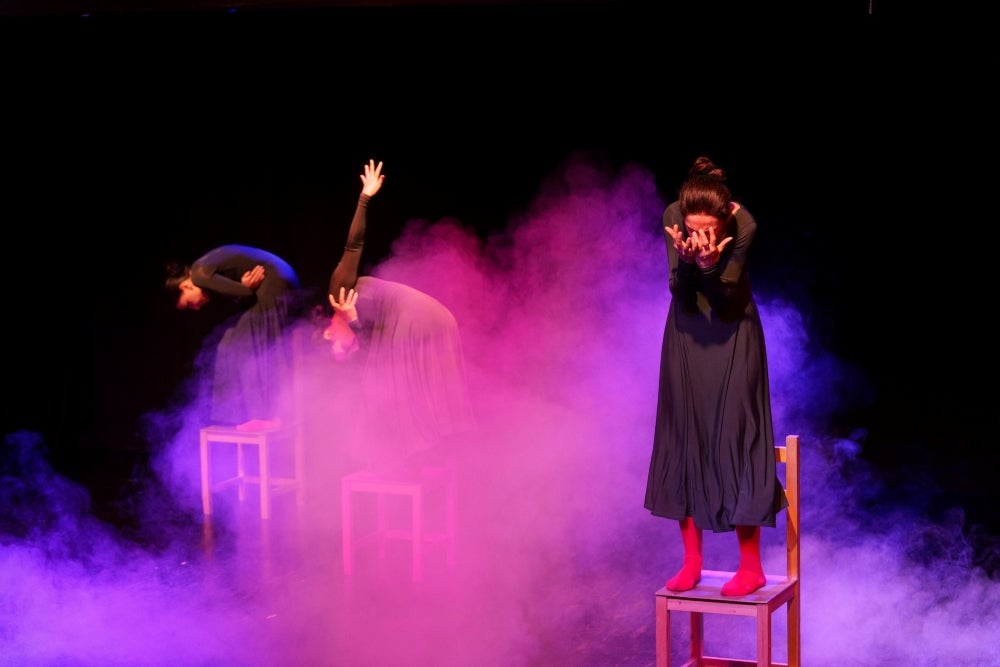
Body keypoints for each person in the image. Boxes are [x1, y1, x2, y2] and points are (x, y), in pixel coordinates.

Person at [644, 156, 787, 597]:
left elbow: (724, 298)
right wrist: (688, 264)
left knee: (738, 438)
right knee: (684, 435)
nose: (699, 234)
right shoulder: (674, 217)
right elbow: (681, 295)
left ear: (726, 216)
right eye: (693, 228)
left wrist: (707, 265)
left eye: (709, 228)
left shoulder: (744, 225)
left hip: (733, 332)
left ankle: (751, 567)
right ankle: (692, 562)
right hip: (687, 334)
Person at [322, 159, 477, 474]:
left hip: (417, 315)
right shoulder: (362, 326)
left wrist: (365, 197)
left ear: (328, 331)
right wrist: (353, 325)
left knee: (382, 384)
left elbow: (354, 245)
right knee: (399, 387)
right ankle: (429, 461)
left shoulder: (339, 292)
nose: (348, 347)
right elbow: (366, 349)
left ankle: (397, 461)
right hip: (438, 316)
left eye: (341, 346)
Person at [165, 244, 304, 426]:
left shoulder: (199, 274)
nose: (196, 308)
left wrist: (244, 287)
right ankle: (240, 415)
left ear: (185, 286)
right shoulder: (202, 269)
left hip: (273, 279)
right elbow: (243, 293)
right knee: (230, 343)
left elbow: (245, 293)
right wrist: (243, 287)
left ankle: (269, 416)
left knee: (241, 346)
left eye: (189, 304)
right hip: (280, 277)